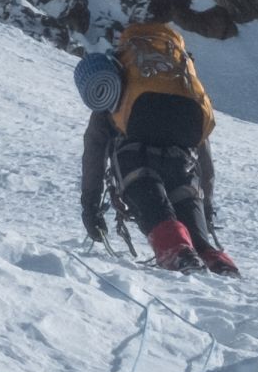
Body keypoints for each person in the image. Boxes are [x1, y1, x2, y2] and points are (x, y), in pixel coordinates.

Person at [77, 22, 238, 274]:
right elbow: (203, 152)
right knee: (194, 226)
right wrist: (205, 206)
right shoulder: (180, 77)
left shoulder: (119, 75)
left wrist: (90, 206)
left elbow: (96, 147)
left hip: (134, 158)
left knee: (159, 213)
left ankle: (177, 253)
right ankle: (216, 260)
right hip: (182, 157)